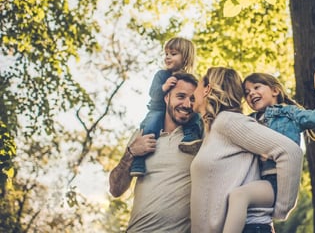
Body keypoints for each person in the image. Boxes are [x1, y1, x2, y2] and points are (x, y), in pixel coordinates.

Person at [222, 63, 315, 233]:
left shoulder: (289, 113)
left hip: (277, 181)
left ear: (275, 91)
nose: (251, 94)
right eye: (247, 93)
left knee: (239, 196)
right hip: (256, 179)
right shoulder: (249, 120)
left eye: (256, 87)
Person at [190, 67, 304, 233]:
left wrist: (282, 208)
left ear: (207, 89)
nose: (194, 92)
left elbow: (290, 152)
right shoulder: (213, 129)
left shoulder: (228, 121)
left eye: (198, 85)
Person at [109, 72, 199, 233]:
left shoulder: (197, 140)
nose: (187, 104)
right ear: (166, 98)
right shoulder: (142, 135)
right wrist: (131, 152)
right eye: (181, 96)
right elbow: (116, 189)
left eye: (192, 99)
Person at [130, 37, 203, 177]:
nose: (168, 57)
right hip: (158, 109)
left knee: (196, 116)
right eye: (166, 54)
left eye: (173, 54)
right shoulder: (161, 75)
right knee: (151, 126)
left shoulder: (191, 80)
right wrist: (164, 87)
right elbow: (153, 93)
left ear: (186, 58)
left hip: (179, 115)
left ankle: (190, 137)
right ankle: (139, 161)